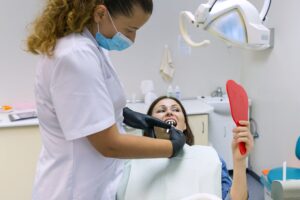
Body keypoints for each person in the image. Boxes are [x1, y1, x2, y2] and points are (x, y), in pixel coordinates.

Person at [26, 1, 186, 199]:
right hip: (74, 189)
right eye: (130, 29)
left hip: (97, 183)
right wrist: (172, 147)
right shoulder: (75, 54)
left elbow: (93, 100)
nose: (132, 38)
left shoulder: (91, 46)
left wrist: (124, 114)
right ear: (101, 14)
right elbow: (109, 144)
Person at [141, 96, 254, 200]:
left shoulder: (211, 158)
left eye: (176, 110)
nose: (169, 112)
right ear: (150, 125)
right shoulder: (135, 164)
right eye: (161, 110)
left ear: (185, 125)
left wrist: (239, 162)